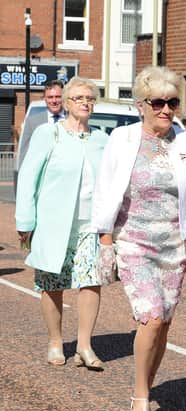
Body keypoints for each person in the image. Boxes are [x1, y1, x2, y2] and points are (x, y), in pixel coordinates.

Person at [91, 66, 186, 411]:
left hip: (173, 246)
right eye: (158, 102)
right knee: (151, 316)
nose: (166, 110)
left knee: (163, 324)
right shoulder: (122, 138)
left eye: (173, 102)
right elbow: (105, 189)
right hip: (133, 242)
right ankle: (140, 395)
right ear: (142, 105)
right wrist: (104, 240)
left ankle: (145, 383)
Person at [15, 76, 108, 370]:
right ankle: (56, 340)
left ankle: (84, 344)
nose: (85, 103)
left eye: (90, 98)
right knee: (52, 283)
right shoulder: (48, 134)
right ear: (66, 103)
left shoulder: (102, 139)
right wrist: (25, 220)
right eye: (79, 98)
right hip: (54, 224)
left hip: (89, 225)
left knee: (91, 280)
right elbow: (29, 177)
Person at [16, 80, 66, 187]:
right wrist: (24, 181)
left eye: (58, 97)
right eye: (50, 97)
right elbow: (24, 153)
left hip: (66, 180)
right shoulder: (32, 122)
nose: (54, 101)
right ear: (45, 99)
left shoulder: (73, 119)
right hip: (41, 181)